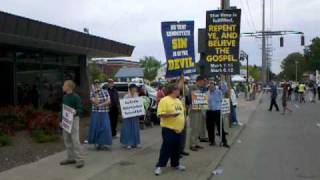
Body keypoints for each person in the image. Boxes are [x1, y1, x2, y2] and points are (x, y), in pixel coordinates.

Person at [154, 84, 186, 176]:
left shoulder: (178, 100)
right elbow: (160, 114)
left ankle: (175, 164)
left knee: (176, 148)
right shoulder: (164, 100)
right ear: (173, 91)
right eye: (178, 90)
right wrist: (171, 115)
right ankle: (159, 166)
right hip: (168, 128)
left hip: (178, 129)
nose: (179, 91)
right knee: (166, 148)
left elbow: (182, 112)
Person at [60, 80, 84, 168]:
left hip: (74, 119)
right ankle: (70, 158)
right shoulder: (65, 97)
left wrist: (76, 112)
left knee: (75, 139)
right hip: (66, 119)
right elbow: (62, 109)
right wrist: (61, 120)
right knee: (67, 139)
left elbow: (80, 109)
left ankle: (80, 159)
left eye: (64, 85)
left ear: (69, 87)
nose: (62, 86)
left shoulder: (76, 97)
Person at [88, 80, 112, 150]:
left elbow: (109, 101)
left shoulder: (105, 91)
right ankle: (98, 144)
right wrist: (96, 93)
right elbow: (96, 102)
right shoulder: (92, 93)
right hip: (96, 112)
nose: (97, 85)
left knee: (105, 127)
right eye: (95, 84)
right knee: (96, 127)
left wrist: (100, 105)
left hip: (104, 112)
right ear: (94, 85)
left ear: (100, 84)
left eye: (98, 84)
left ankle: (103, 143)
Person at [206, 82, 230, 148]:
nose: (211, 88)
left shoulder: (219, 92)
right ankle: (212, 141)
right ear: (209, 87)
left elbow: (225, 89)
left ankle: (224, 141)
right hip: (209, 112)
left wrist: (222, 81)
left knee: (220, 127)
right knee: (210, 127)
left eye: (212, 86)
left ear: (215, 86)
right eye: (210, 87)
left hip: (217, 111)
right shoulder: (207, 93)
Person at [188, 76, 206, 151]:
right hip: (194, 109)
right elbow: (191, 98)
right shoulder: (193, 87)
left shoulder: (200, 88)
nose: (204, 83)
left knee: (199, 127)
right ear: (199, 81)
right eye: (203, 81)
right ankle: (192, 144)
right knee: (194, 127)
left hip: (199, 108)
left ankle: (196, 142)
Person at [120, 84, 141, 149]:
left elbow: (138, 105)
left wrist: (140, 111)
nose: (135, 89)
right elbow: (124, 106)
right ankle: (128, 143)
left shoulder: (137, 95)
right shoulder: (126, 96)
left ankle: (136, 143)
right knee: (127, 129)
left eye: (136, 88)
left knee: (135, 129)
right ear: (131, 89)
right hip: (128, 115)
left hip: (135, 115)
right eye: (134, 88)